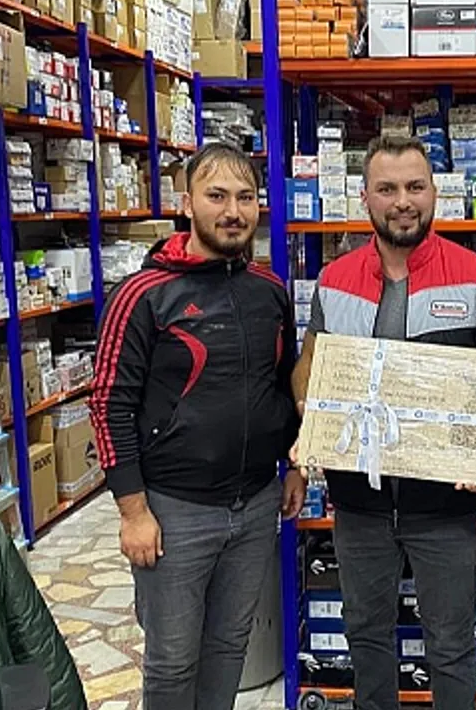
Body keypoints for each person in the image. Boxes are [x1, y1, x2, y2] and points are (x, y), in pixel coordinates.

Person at [291, 135, 476, 710]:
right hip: (358, 506)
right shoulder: (334, 280)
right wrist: (311, 415)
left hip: (444, 506)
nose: (403, 201)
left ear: (434, 193)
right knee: (366, 637)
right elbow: (309, 368)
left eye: (415, 187)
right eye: (388, 188)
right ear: (365, 197)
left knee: (451, 644)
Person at [88, 142, 305, 710]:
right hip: (173, 511)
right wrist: (133, 512)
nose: (233, 211)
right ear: (186, 203)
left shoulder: (269, 291)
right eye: (217, 196)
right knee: (173, 661)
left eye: (245, 197)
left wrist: (294, 463)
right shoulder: (142, 295)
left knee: (229, 646)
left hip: (255, 504)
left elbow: (282, 384)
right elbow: (108, 403)